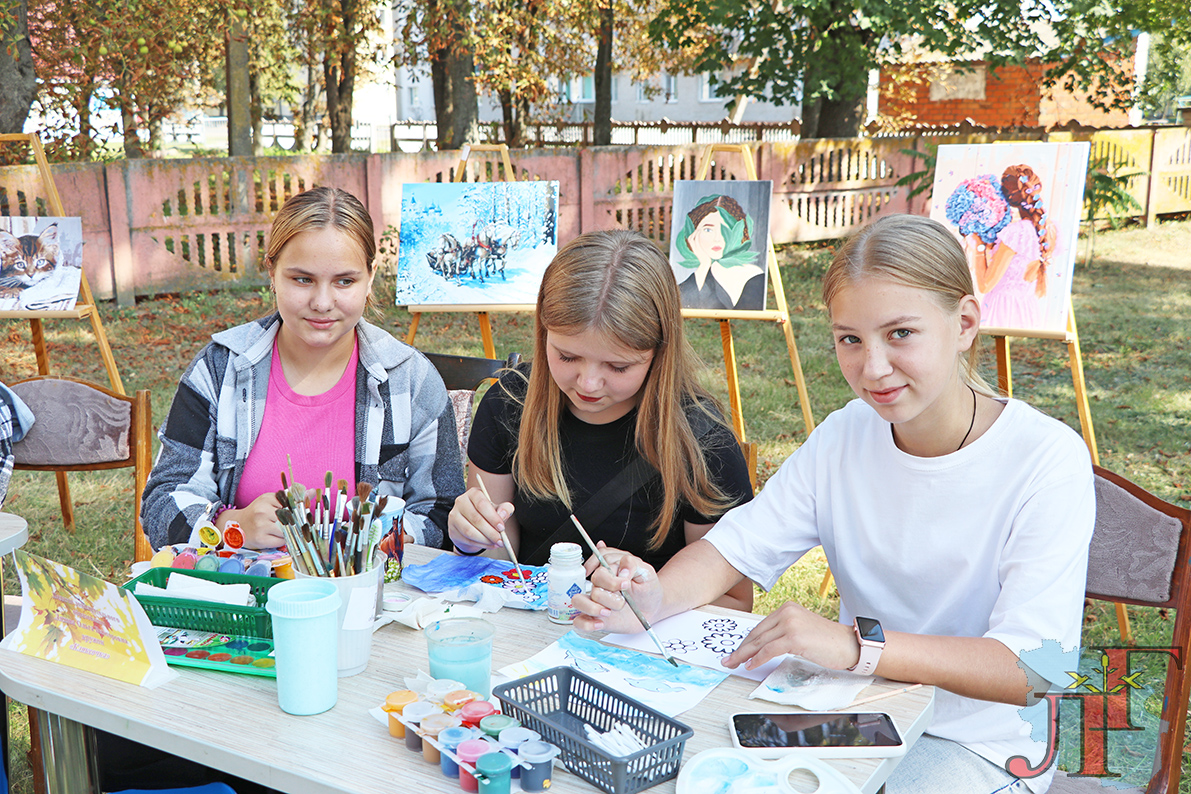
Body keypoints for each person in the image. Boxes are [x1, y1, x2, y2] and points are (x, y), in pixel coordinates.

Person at [575, 214, 1094, 793]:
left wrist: (855, 646)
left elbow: (1037, 669)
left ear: (965, 322)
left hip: (979, 743)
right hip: (851, 712)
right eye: (850, 339)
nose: (872, 368)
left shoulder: (1046, 460)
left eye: (900, 334)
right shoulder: (848, 433)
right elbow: (735, 547)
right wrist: (655, 596)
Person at [142, 186, 465, 552]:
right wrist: (229, 525)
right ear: (272, 272)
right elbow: (162, 501)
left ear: (371, 276)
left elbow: (442, 512)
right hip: (242, 600)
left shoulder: (413, 381)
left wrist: (374, 540)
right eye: (302, 279)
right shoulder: (219, 370)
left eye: (345, 281)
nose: (323, 302)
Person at [448, 229, 755, 610]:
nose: (589, 383)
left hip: (641, 654)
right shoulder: (509, 405)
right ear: (543, 332)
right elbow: (498, 561)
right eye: (567, 356)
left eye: (618, 365)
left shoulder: (701, 444)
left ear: (659, 353)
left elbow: (736, 602)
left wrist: (652, 592)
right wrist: (468, 537)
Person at [971, 164, 1054, 330]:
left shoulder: (1017, 232)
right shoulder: (1046, 228)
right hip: (1026, 308)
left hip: (1003, 310)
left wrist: (979, 246)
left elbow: (985, 285)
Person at [673, 194, 766, 311]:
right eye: (708, 230)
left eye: (725, 228)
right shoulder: (705, 274)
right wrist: (703, 266)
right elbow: (682, 302)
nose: (717, 238)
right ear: (693, 234)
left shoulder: (753, 276)